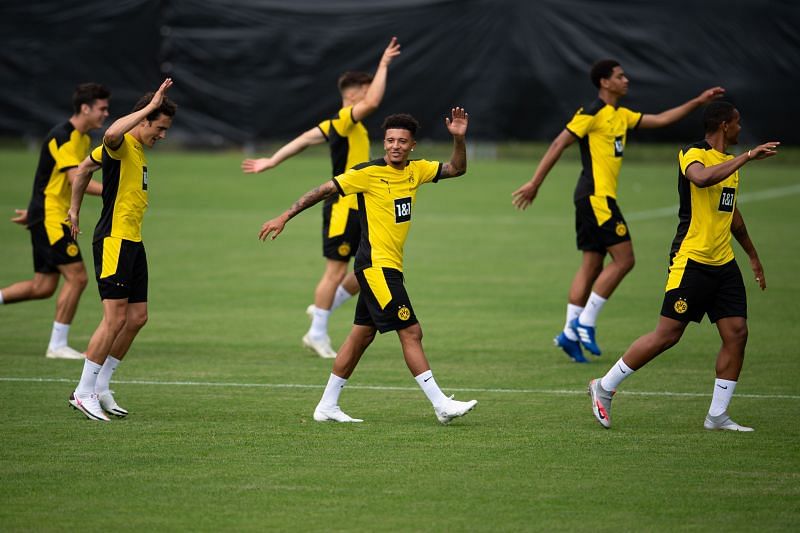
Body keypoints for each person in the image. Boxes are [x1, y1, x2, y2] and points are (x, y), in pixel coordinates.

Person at [259, 108, 478, 425]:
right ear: (384, 142)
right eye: (390, 140)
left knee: (361, 336)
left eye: (402, 141)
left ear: (412, 145)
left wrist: (458, 139)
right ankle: (441, 404)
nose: (395, 146)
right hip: (376, 267)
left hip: (389, 266)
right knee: (411, 331)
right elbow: (324, 189)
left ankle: (327, 406)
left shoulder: (417, 171)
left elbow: (457, 168)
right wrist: (284, 216)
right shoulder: (368, 173)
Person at [512, 59, 725, 363]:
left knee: (592, 265)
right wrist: (535, 182)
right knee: (625, 259)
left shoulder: (621, 115)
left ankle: (569, 334)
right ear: (604, 82)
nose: (626, 80)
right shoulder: (592, 113)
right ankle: (584, 322)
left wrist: (698, 101)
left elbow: (663, 120)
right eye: (620, 76)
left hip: (593, 199)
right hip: (596, 198)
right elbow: (559, 143)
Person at [587, 101, 779, 431]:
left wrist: (752, 254)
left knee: (737, 333)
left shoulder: (729, 164)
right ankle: (603, 387)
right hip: (691, 260)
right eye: (737, 123)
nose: (740, 129)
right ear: (723, 126)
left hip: (724, 264)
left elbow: (729, 212)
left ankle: (717, 415)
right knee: (668, 335)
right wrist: (746, 158)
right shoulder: (693, 153)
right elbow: (701, 180)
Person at [243, 37, 401, 359]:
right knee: (334, 271)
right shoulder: (345, 120)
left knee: (367, 268)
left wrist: (273, 159)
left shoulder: (344, 126)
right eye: (367, 89)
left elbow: (303, 139)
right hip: (342, 208)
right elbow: (370, 105)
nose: (372, 96)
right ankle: (317, 332)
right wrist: (383, 64)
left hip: (361, 207)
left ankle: (321, 310)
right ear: (354, 94)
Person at [66, 79, 177, 421]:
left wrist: (74, 208)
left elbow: (83, 169)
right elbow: (111, 135)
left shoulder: (138, 150)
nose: (162, 135)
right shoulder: (122, 144)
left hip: (132, 240)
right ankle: (83, 391)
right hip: (114, 240)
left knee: (137, 318)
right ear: (143, 119)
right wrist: (149, 104)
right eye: (159, 127)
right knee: (114, 318)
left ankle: (101, 387)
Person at [1, 83, 110, 359]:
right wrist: (115, 189)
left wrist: (33, 211)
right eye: (102, 108)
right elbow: (76, 179)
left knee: (44, 287)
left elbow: (48, 178)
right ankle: (57, 346)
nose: (106, 114)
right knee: (78, 277)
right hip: (52, 218)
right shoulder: (63, 137)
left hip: (46, 214)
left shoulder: (82, 139)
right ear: (85, 108)